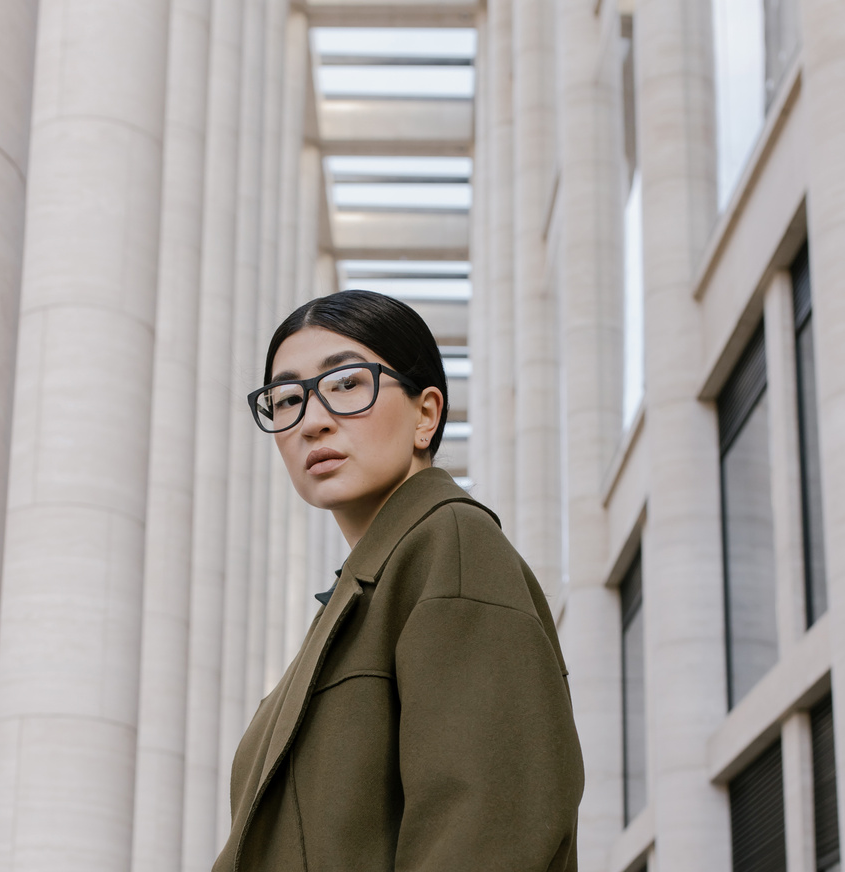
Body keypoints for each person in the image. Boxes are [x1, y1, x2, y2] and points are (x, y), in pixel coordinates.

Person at [213, 290, 584, 872]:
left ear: (426, 414)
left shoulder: (451, 546)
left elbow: (484, 836)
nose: (311, 421)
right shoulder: (363, 594)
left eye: (346, 385)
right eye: (286, 399)